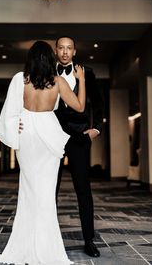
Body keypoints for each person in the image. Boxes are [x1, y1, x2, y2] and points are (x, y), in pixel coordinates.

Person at [0, 40, 86, 265]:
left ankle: (25, 246)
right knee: (46, 194)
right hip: (48, 134)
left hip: (27, 134)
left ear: (30, 59)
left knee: (29, 191)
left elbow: (9, 111)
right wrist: (82, 81)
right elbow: (79, 106)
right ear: (51, 58)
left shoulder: (21, 79)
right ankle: (48, 249)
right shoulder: (58, 81)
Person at [54, 36, 104, 258]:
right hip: (53, 136)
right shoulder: (47, 72)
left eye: (69, 48)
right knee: (49, 189)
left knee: (83, 190)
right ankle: (50, 240)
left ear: (74, 51)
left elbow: (99, 103)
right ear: (56, 50)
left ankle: (88, 240)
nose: (65, 52)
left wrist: (97, 128)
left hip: (79, 138)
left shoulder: (87, 72)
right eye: (61, 48)